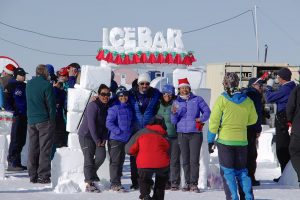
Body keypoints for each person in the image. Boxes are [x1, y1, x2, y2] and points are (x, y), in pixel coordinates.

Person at [208, 72, 257, 200]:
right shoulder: (247, 100)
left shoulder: (222, 99)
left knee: (228, 172)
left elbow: (214, 121)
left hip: (225, 141)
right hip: (242, 141)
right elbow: (253, 120)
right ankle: (248, 197)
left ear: (225, 83)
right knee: (242, 172)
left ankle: (233, 197)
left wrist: (210, 140)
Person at [171, 78, 211, 193]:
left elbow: (207, 112)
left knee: (194, 160)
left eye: (186, 87)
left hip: (195, 134)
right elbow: (173, 121)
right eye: (182, 88)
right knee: (185, 160)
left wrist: (201, 119)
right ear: (179, 89)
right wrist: (174, 113)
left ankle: (194, 183)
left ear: (189, 88)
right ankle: (187, 183)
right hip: (182, 134)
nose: (184, 90)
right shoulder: (176, 102)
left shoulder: (197, 99)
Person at [128, 73, 161, 189]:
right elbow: (118, 99)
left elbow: (169, 98)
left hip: (148, 131)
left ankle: (147, 182)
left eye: (147, 83)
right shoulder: (131, 94)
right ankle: (135, 182)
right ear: (138, 84)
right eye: (142, 83)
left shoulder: (155, 93)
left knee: (148, 158)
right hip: (135, 130)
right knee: (134, 157)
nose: (144, 85)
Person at [126, 115, 170, 200]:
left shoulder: (141, 133)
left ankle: (145, 195)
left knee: (144, 178)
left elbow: (128, 149)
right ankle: (158, 197)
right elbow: (168, 149)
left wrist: (138, 153)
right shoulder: (164, 135)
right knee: (161, 181)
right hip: (162, 164)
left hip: (144, 164)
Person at [264, 67, 296, 182]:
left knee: (282, 149)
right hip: (289, 120)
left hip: (282, 120)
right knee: (288, 148)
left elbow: (268, 98)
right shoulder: (293, 87)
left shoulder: (285, 89)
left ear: (282, 78)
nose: (277, 78)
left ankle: (285, 175)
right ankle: (287, 174)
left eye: (278, 77)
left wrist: (268, 86)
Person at [26, 64, 56, 184]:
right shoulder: (47, 85)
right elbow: (51, 105)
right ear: (45, 73)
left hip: (31, 120)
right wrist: (52, 120)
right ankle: (43, 175)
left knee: (32, 147)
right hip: (44, 120)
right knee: (45, 149)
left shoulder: (29, 84)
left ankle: (32, 175)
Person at [78, 84, 110, 193]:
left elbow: (107, 124)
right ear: (98, 94)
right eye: (103, 94)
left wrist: (104, 138)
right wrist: (97, 140)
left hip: (99, 136)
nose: (105, 96)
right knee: (89, 157)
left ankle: (91, 173)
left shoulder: (108, 105)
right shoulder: (93, 105)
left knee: (101, 156)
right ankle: (89, 183)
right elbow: (91, 124)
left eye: (108, 94)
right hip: (86, 135)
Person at [106, 86, 133, 192]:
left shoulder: (129, 108)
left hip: (125, 139)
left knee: (121, 161)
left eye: (125, 95)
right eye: (121, 96)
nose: (123, 97)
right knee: (115, 162)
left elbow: (130, 123)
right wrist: (118, 131)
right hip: (115, 139)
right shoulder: (114, 108)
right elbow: (108, 123)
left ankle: (118, 182)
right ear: (118, 96)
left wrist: (129, 132)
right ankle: (114, 183)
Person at [156, 84, 180, 190]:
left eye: (170, 94)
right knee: (163, 160)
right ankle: (164, 181)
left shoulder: (176, 104)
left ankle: (174, 181)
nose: (167, 96)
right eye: (165, 93)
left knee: (174, 160)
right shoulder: (158, 104)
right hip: (162, 137)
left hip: (174, 136)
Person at [241, 78, 264, 186]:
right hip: (250, 129)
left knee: (243, 153)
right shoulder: (254, 95)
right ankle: (250, 178)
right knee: (251, 154)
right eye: (259, 85)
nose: (261, 87)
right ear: (253, 85)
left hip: (242, 128)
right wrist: (258, 129)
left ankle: (242, 176)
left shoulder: (244, 94)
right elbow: (256, 114)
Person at [5, 68, 28, 171]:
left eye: (24, 74)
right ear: (16, 75)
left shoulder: (24, 85)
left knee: (22, 139)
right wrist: (13, 111)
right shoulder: (11, 85)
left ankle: (17, 162)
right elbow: (6, 101)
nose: (24, 76)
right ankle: (11, 162)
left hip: (24, 115)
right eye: (22, 74)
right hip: (16, 116)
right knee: (15, 139)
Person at [286, 83, 300, 187]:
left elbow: (290, 107)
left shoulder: (297, 90)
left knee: (294, 150)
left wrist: (290, 121)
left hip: (298, 126)